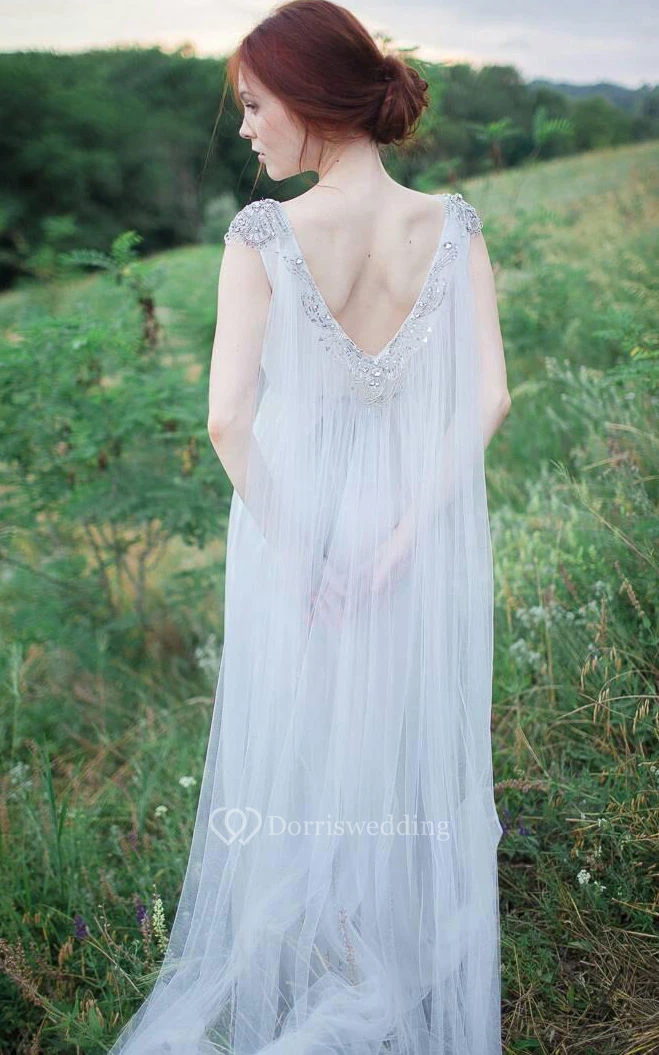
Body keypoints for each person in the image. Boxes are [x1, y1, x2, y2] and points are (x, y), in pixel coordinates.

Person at [107, 1, 511, 1051]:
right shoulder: (452, 225)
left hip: (297, 523)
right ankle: (385, 941)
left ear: (309, 97)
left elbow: (226, 420)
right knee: (395, 734)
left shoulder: (263, 236)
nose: (246, 129)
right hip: (411, 520)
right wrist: (401, 542)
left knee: (301, 744)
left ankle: (326, 942)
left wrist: (310, 558)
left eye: (253, 105)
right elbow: (489, 398)